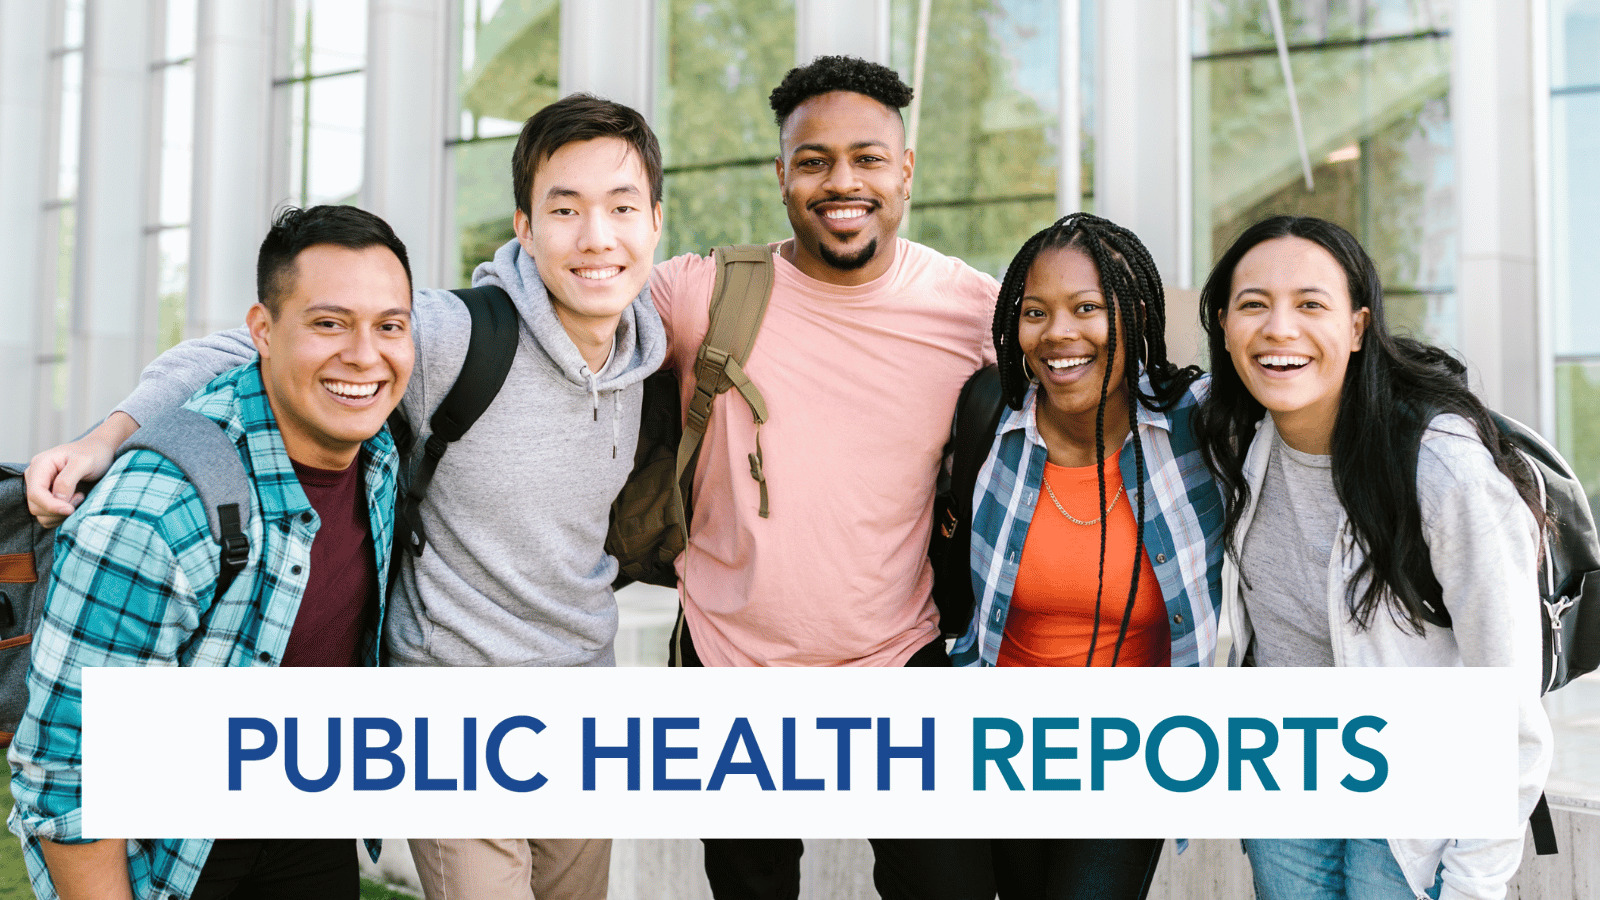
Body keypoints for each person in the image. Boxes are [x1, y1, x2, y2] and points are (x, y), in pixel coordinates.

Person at [23, 94, 667, 900]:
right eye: (565, 209)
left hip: (577, 713)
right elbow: (248, 345)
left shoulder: (650, 343)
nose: (597, 235)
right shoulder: (452, 335)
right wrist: (106, 436)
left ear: (656, 223)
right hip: (453, 719)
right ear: (525, 228)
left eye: (621, 207)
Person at [647, 55, 998, 900]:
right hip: (729, 666)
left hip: (899, 658)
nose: (843, 182)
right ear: (782, 177)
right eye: (814, 161)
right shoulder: (705, 294)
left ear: (906, 171)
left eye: (869, 158)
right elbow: (562, 312)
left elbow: (1100, 380)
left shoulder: (975, 311)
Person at [8, 204, 414, 900]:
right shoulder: (158, 507)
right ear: (260, 330)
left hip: (309, 824)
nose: (364, 354)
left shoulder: (378, 452)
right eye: (328, 322)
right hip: (176, 857)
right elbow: (66, 770)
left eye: (389, 326)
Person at [1191, 215, 1553, 900]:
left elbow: (1508, 702)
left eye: (1310, 304)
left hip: (1417, 797)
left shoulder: (1442, 467)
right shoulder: (1232, 434)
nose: (1279, 329)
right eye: (1253, 305)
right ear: (1223, 324)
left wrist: (1476, 877)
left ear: (1358, 327)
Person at [948, 213, 1223, 899]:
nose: (1058, 334)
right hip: (1001, 751)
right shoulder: (990, 417)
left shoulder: (1198, 426)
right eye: (1035, 311)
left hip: (1131, 756)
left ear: (1133, 316)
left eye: (1087, 308)